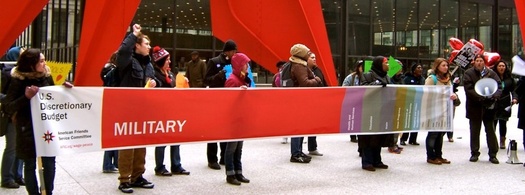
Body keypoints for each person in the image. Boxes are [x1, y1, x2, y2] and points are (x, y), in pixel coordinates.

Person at [2, 48, 55, 194]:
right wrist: (26, 97)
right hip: (27, 128)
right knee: (30, 164)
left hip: (47, 127)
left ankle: (48, 192)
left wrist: (66, 90)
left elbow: (54, 97)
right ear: (31, 64)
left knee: (49, 163)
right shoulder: (18, 80)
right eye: (41, 61)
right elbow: (7, 107)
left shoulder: (47, 76)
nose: (44, 64)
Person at [115, 24, 157, 193]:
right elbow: (123, 51)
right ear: (137, 46)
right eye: (146, 44)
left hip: (143, 109)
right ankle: (124, 179)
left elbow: (154, 81)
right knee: (127, 145)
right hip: (127, 108)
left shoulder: (148, 64)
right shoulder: (127, 61)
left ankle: (137, 176)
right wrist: (133, 34)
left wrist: (155, 83)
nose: (149, 47)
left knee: (141, 143)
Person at [151, 46, 190, 177]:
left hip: (173, 111)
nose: (169, 62)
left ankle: (176, 165)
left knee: (175, 139)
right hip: (161, 111)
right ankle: (159, 167)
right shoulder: (155, 75)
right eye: (167, 60)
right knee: (161, 141)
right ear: (161, 61)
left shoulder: (171, 74)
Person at [204, 40, 237, 170]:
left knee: (226, 130)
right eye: (233, 51)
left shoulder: (234, 63)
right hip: (215, 99)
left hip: (229, 100)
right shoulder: (214, 62)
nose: (235, 53)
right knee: (214, 129)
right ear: (227, 51)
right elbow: (206, 80)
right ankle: (212, 159)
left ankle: (224, 156)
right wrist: (219, 75)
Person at [463, 54, 501, 164]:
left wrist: (494, 96)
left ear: (484, 62)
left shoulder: (491, 73)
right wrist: (481, 97)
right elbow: (468, 89)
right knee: (474, 131)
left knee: (491, 131)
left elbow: (498, 86)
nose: (479, 63)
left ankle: (493, 154)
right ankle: (474, 153)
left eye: (481, 61)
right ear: (474, 62)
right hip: (475, 107)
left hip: (489, 108)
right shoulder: (468, 73)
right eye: (477, 61)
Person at [288, 44, 322, 163]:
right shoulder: (299, 66)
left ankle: (298, 151)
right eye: (307, 52)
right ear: (301, 54)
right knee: (298, 127)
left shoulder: (298, 64)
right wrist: (317, 79)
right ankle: (296, 153)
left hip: (300, 100)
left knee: (300, 126)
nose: (309, 54)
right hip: (299, 100)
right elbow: (305, 83)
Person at [359, 56, 393, 171]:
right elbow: (363, 89)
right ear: (379, 64)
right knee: (368, 137)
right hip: (369, 111)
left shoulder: (387, 77)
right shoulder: (367, 75)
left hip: (383, 110)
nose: (388, 65)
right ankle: (367, 161)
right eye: (386, 63)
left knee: (379, 136)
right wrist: (376, 84)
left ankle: (377, 160)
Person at [223, 53, 252, 185]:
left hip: (241, 117)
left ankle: (238, 172)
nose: (247, 66)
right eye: (245, 63)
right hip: (234, 119)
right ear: (240, 65)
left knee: (239, 147)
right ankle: (230, 174)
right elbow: (228, 101)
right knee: (232, 147)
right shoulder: (232, 80)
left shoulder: (242, 78)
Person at [1, 46, 25, 189]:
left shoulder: (24, 73)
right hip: (11, 115)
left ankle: (17, 175)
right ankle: (6, 178)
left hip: (22, 114)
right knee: (11, 147)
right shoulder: (6, 73)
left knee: (20, 146)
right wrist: (13, 99)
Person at [424, 58, 457, 165]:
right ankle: (431, 156)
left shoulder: (447, 79)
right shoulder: (432, 79)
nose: (446, 67)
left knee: (440, 134)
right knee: (433, 133)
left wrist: (453, 95)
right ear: (437, 66)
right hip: (434, 110)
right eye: (443, 65)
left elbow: (451, 91)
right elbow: (426, 93)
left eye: (447, 65)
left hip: (445, 110)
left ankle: (439, 155)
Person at [100, 52, 119, 174]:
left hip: (110, 103)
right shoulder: (111, 70)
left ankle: (113, 163)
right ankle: (108, 164)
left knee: (114, 135)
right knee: (114, 135)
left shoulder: (107, 68)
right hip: (113, 103)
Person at [492, 60, 517, 149]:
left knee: (503, 122)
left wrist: (515, 98)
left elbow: (514, 90)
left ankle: (502, 140)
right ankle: (492, 140)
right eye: (500, 66)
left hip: (505, 103)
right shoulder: (492, 77)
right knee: (493, 122)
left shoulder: (509, 79)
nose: (501, 68)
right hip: (494, 102)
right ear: (496, 67)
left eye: (503, 66)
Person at [400, 62, 424, 146]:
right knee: (408, 120)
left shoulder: (422, 79)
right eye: (418, 68)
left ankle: (413, 139)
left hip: (418, 102)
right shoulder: (407, 78)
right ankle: (403, 139)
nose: (420, 69)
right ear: (413, 70)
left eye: (421, 68)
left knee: (416, 121)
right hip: (409, 102)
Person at [306, 53, 324, 156]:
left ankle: (312, 147)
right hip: (306, 101)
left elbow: (323, 83)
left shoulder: (318, 70)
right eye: (312, 57)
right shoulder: (302, 69)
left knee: (314, 125)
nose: (314, 59)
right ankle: (298, 149)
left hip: (317, 101)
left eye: (315, 57)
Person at [342, 60, 365, 143]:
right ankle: (353, 136)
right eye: (361, 66)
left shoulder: (367, 77)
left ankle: (360, 134)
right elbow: (344, 88)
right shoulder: (351, 77)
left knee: (360, 119)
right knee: (353, 118)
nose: (363, 68)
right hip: (353, 100)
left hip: (363, 101)